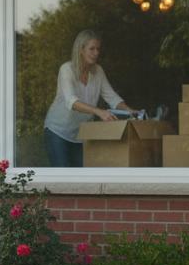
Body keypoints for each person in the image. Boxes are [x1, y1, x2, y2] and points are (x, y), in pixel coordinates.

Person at [43, 30, 132, 167]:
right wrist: (99, 112)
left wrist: (130, 111)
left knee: (82, 176)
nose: (96, 53)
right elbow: (71, 101)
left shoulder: (98, 71)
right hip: (57, 130)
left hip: (80, 133)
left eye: (98, 49)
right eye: (92, 49)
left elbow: (112, 97)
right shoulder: (66, 69)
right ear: (81, 50)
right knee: (60, 176)